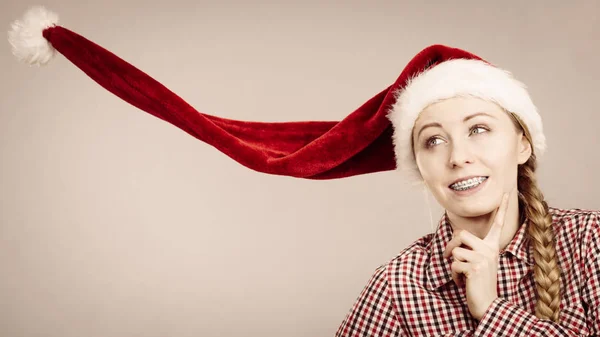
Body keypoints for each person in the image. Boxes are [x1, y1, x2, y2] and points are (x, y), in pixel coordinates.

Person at [9, 6, 600, 336]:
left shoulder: (591, 245)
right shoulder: (399, 286)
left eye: (479, 129)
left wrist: (491, 309)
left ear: (522, 142)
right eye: (433, 141)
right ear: (418, 166)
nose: (458, 156)